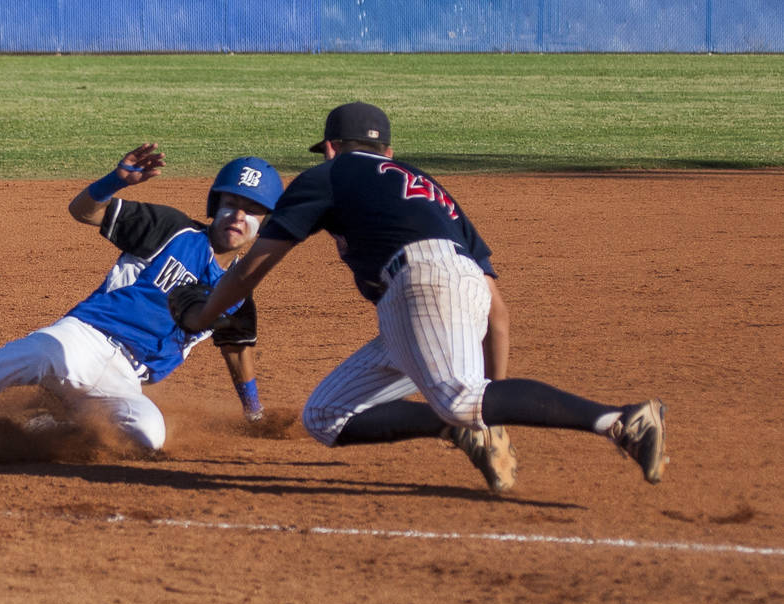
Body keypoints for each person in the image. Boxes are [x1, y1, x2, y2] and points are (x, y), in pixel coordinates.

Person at [175, 102, 667, 493]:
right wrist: (488, 410)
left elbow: (249, 272)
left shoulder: (331, 174)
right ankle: (458, 427)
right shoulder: (433, 191)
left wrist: (202, 316)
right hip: (438, 300)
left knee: (460, 399)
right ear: (387, 152)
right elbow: (498, 312)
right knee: (326, 417)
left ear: (329, 148)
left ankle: (620, 420)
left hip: (422, 288)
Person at [0, 143, 283, 454]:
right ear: (216, 204)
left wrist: (254, 414)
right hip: (82, 340)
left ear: (264, 223)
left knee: (148, 437)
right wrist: (117, 180)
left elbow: (238, 352)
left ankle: (46, 425)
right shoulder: (172, 229)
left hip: (125, 383)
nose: (238, 216)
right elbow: (84, 211)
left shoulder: (236, 292)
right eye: (231, 203)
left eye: (252, 210)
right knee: (0, 364)